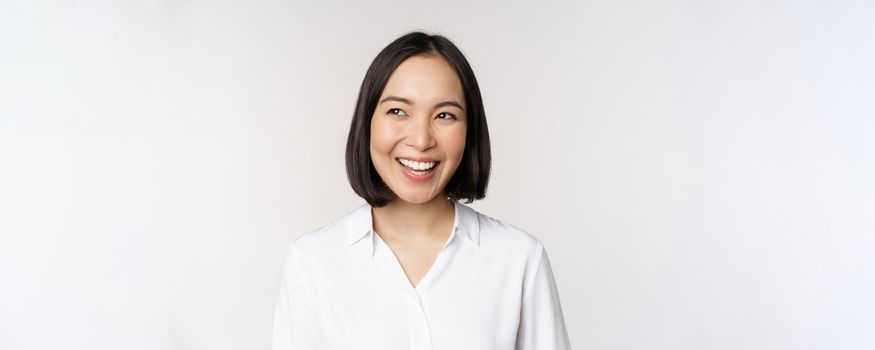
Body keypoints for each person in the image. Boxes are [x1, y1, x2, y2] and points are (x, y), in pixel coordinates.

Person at [272, 31, 571, 350]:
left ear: (469, 131)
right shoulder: (311, 262)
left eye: (445, 115)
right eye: (398, 111)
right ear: (367, 121)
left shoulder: (520, 260)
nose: (421, 139)